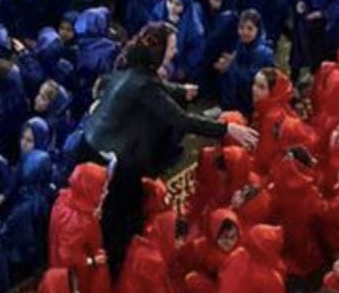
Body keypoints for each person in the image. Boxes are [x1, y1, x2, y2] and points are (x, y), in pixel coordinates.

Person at [80, 23, 257, 270]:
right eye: (171, 47)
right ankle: (117, 261)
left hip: (97, 141)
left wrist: (180, 91)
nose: (174, 52)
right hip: (111, 156)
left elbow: (156, 88)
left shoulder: (129, 65)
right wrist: (226, 129)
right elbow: (180, 119)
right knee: (121, 213)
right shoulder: (144, 83)